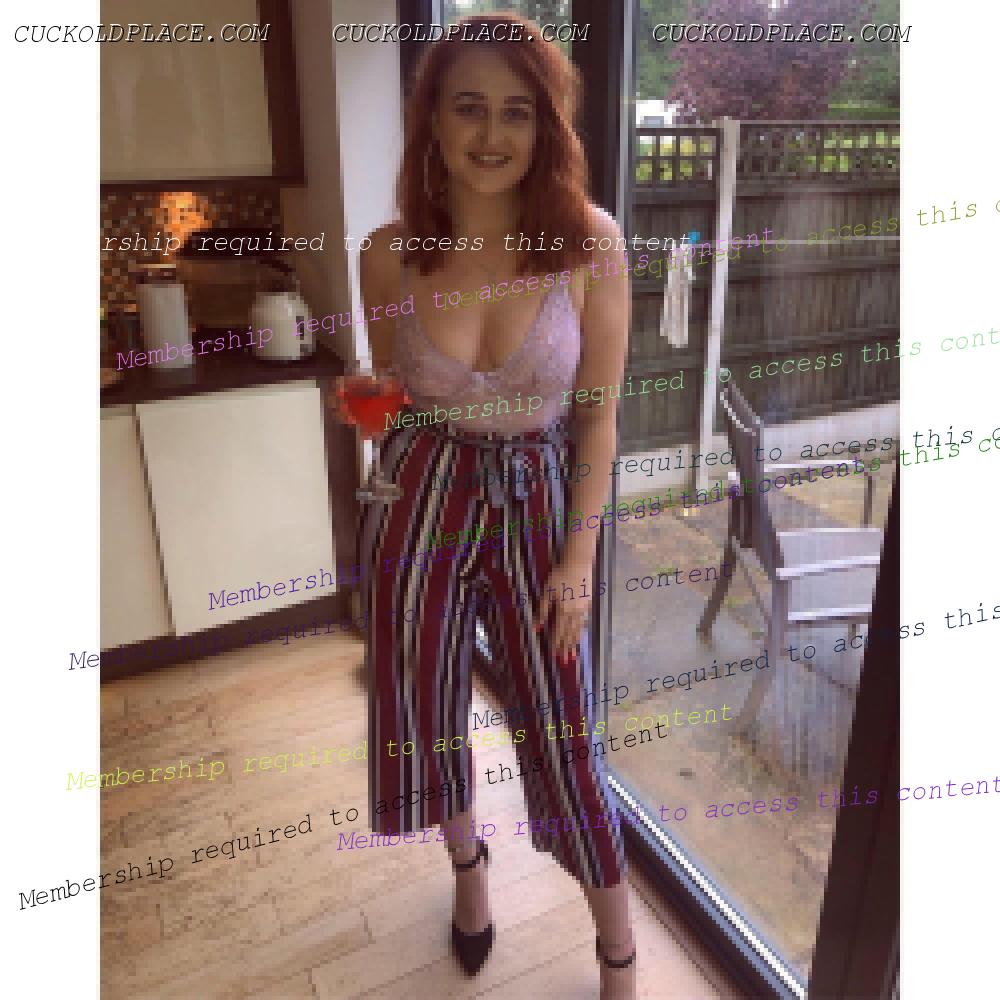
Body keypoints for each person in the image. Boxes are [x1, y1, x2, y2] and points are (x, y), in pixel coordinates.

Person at [355, 14, 635, 997]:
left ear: (545, 125)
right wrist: (364, 416)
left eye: (517, 111)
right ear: (431, 118)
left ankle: (617, 950)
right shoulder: (387, 254)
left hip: (536, 501)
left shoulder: (589, 245)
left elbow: (596, 420)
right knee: (424, 707)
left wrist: (578, 561)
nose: (491, 133)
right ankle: (468, 867)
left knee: (564, 733)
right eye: (468, 106)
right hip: (420, 496)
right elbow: (392, 396)